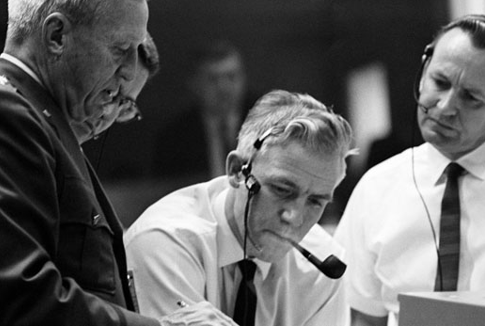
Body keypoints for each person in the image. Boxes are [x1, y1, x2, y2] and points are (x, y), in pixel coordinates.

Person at [0, 0, 181, 325]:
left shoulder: (42, 121)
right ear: (57, 36)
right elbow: (20, 297)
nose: (131, 71)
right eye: (120, 49)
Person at [335, 15, 485, 325]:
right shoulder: (376, 188)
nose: (445, 107)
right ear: (422, 74)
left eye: (471, 98)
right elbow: (362, 317)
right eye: (440, 82)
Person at [126, 90, 354, 326]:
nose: (293, 217)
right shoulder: (165, 241)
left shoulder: (322, 265)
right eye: (281, 190)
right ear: (237, 171)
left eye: (315, 201)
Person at [153, 40, 252, 185]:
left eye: (231, 77)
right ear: (194, 83)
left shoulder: (267, 123)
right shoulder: (174, 138)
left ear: (244, 79)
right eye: (213, 79)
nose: (224, 88)